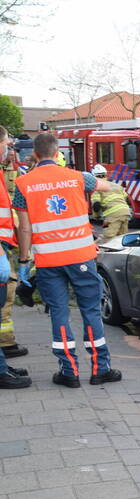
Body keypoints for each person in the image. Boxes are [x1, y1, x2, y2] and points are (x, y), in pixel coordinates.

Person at [13, 132, 123, 388]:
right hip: (81, 257)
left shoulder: (23, 184)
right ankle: (100, 369)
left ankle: (69, 371)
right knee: (91, 310)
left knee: (59, 313)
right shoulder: (78, 177)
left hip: (48, 261)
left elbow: (25, 228)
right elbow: (110, 187)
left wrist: (23, 262)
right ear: (57, 153)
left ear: (35, 155)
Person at [0, 128, 28, 362]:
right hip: (1, 246)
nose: (9, 149)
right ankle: (5, 345)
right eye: (7, 144)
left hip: (5, 244)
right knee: (6, 294)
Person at [90, 165, 133, 240]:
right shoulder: (116, 185)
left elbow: (96, 205)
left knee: (108, 237)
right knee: (122, 238)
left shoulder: (97, 188)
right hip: (125, 213)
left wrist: (96, 216)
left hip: (111, 216)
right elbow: (127, 199)